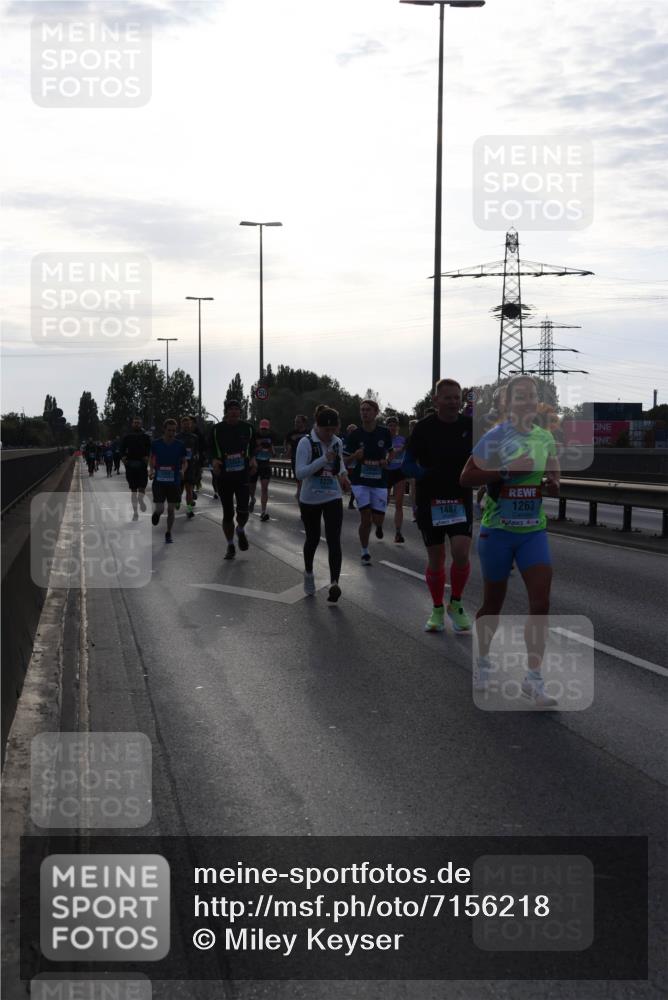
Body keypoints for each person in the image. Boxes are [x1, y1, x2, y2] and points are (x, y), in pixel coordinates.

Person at [460, 375, 560, 706]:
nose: (527, 402)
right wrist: (506, 472)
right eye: (520, 397)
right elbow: (466, 478)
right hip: (498, 531)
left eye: (532, 396)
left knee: (541, 603)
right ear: (507, 403)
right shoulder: (494, 437)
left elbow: (553, 475)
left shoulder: (545, 437)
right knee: (493, 605)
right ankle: (484, 663)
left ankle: (534, 678)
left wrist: (551, 482)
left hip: (533, 530)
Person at [403, 379, 474, 635]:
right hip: (430, 501)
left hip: (459, 499)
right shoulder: (423, 428)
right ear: (436, 400)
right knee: (436, 559)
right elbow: (407, 463)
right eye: (448, 398)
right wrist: (424, 474)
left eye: (457, 397)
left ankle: (455, 602)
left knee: (461, 551)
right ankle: (436, 608)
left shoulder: (470, 426)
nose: (454, 402)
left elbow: (485, 457)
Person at [295, 407, 350, 602]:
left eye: (333, 430)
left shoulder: (337, 442)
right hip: (310, 498)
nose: (329, 434)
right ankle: (309, 572)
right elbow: (300, 472)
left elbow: (340, 462)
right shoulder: (306, 443)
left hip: (332, 495)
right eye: (326, 430)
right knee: (313, 538)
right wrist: (323, 460)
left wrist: (343, 476)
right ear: (317, 426)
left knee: (334, 538)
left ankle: (334, 583)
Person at [343, 400, 393, 565]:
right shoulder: (355, 435)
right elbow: (344, 461)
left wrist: (387, 460)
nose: (364, 413)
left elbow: (390, 453)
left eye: (368, 410)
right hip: (360, 481)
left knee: (377, 519)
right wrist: (354, 457)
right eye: (362, 410)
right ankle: (365, 551)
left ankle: (378, 525)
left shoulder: (384, 433)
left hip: (379, 482)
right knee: (365, 518)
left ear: (376, 412)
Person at [209, 399, 257, 559]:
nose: (235, 412)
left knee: (243, 511)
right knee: (228, 514)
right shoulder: (217, 429)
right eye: (232, 409)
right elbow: (211, 449)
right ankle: (230, 545)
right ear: (226, 411)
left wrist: (252, 459)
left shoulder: (248, 428)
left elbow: (253, 447)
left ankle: (241, 529)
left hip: (242, 475)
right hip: (224, 476)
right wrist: (214, 460)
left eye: (237, 409)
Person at [149, 419, 188, 543]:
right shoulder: (156, 444)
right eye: (169, 430)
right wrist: (151, 470)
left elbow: (185, 461)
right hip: (159, 481)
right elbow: (152, 458)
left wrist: (183, 470)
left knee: (171, 509)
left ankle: (168, 533)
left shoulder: (180, 445)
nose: (171, 433)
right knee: (160, 509)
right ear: (164, 430)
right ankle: (157, 514)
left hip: (174, 481)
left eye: (174, 430)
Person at [120, 417, 151, 520]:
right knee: (133, 490)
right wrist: (124, 458)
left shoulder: (146, 437)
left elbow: (150, 449)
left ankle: (141, 500)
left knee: (142, 488)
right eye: (135, 423)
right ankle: (135, 513)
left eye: (138, 423)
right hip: (131, 466)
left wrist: (148, 457)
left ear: (141, 424)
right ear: (132, 424)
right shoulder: (127, 437)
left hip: (142, 465)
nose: (137, 424)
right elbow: (122, 449)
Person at [385, 415, 407, 543]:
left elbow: (408, 451)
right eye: (390, 425)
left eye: (394, 425)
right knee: (385, 502)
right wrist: (399, 450)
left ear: (397, 427)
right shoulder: (383, 440)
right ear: (387, 427)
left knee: (399, 503)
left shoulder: (402, 439)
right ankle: (378, 524)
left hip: (399, 472)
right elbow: (387, 453)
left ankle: (398, 532)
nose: (392, 427)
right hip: (386, 472)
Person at [249, 417, 275, 521]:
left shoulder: (271, 437)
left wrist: (270, 449)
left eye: (266, 429)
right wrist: (257, 448)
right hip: (255, 463)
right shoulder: (254, 436)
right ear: (260, 428)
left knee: (264, 488)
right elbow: (250, 452)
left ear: (268, 429)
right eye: (262, 429)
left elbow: (273, 453)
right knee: (252, 487)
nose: (264, 431)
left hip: (265, 464)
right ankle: (252, 499)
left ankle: (263, 512)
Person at [176, 415, 201, 519]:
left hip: (191, 466)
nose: (186, 426)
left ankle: (189, 511)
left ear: (190, 425)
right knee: (179, 490)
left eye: (188, 424)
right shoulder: (177, 437)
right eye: (184, 424)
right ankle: (177, 501)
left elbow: (197, 452)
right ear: (181, 425)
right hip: (179, 466)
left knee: (189, 490)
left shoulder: (194, 438)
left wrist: (197, 462)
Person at [285, 414, 309, 501]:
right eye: (295, 422)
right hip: (295, 458)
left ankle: (301, 493)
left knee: (305, 478)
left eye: (298, 422)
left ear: (304, 423)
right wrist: (288, 451)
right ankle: (300, 493)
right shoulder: (291, 434)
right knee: (298, 477)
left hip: (308, 459)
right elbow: (288, 445)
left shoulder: (309, 433)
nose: (296, 423)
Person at [344, 424, 358, 509]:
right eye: (351, 431)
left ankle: (351, 502)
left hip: (355, 466)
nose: (352, 433)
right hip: (344, 466)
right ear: (348, 431)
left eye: (354, 431)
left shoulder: (359, 441)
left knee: (355, 484)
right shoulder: (343, 440)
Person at [408, 419, 418, 520]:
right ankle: (415, 511)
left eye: (414, 426)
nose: (412, 429)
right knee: (413, 490)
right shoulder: (408, 440)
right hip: (413, 467)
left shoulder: (424, 438)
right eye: (411, 427)